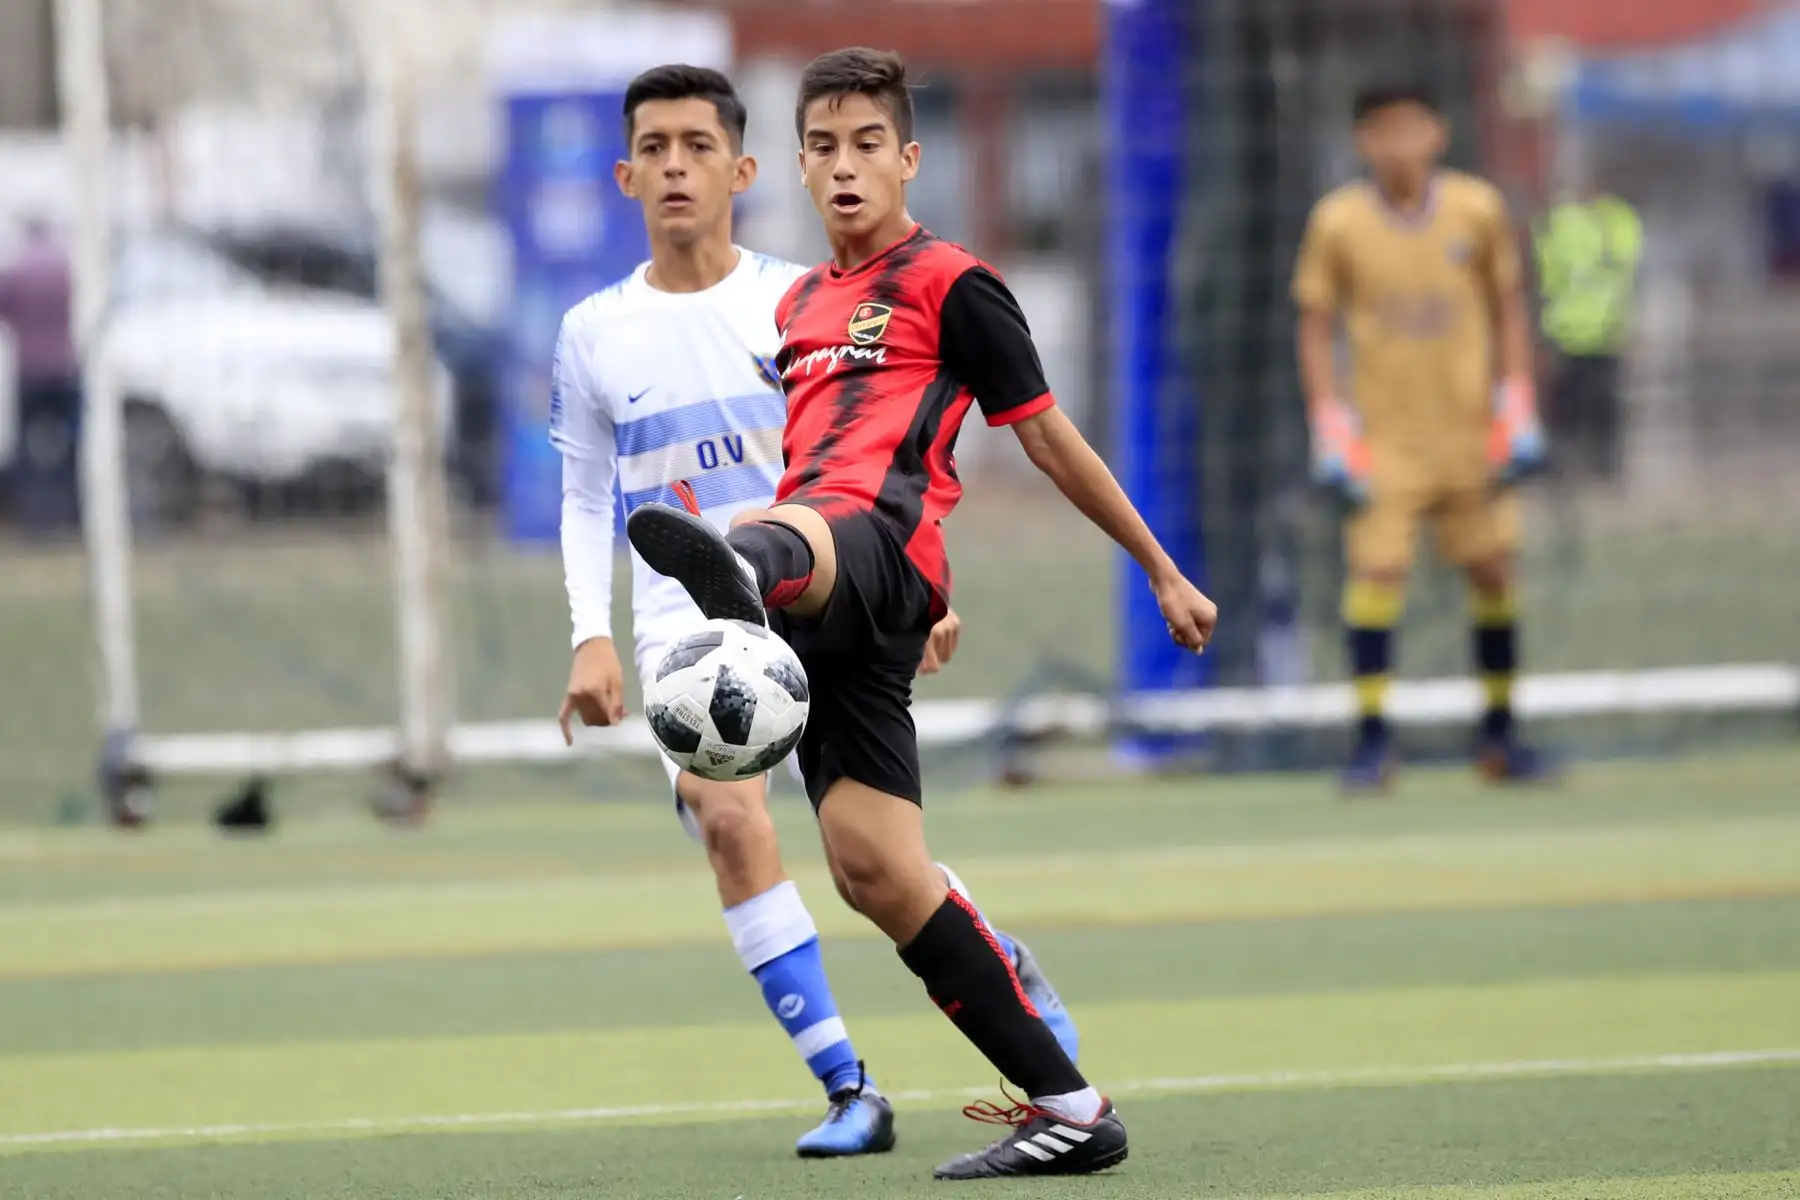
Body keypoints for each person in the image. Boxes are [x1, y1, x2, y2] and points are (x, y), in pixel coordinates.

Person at [625, 48, 1217, 1180]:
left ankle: (739, 584)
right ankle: (1072, 1107)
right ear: (799, 167)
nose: (845, 167)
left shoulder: (956, 283)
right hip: (837, 599)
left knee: (771, 528)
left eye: (866, 146)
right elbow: (818, 451)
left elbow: (1049, 441)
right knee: (875, 872)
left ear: (908, 159)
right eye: (823, 147)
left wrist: (1160, 569)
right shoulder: (797, 305)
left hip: (876, 553)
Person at [551, 64, 1079, 1161]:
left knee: (873, 863)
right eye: (653, 148)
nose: (676, 167)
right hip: (686, 620)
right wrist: (588, 633)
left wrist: (917, 593)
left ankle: (1003, 982)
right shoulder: (593, 331)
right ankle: (849, 1086)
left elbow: (883, 456)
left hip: (820, 589)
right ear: (625, 175)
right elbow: (586, 495)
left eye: (698, 146)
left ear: (745, 170)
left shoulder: (803, 299)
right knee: (729, 816)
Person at [1292, 82, 1555, 792]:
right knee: (1376, 576)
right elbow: (1315, 324)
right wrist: (1331, 423)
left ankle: (1500, 733)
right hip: (1387, 441)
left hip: (1469, 433)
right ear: (1361, 141)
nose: (1398, 145)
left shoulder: (1477, 209)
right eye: (1382, 131)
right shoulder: (1339, 223)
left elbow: (1507, 304)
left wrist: (1516, 403)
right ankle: (1372, 740)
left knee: (1493, 570)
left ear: (1437, 133)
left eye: (1410, 128)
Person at [1533, 178, 1642, 482]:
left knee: (1592, 401)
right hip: (1580, 330)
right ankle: (1582, 461)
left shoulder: (1611, 221)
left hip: (1592, 329)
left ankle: (1591, 461)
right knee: (1577, 402)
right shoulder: (1606, 222)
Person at [0, 215, 79, 533]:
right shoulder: (66, 268)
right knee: (72, 443)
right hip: (65, 367)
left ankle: (31, 515)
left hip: (30, 370)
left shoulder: (18, 271)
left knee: (26, 445)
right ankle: (71, 510)